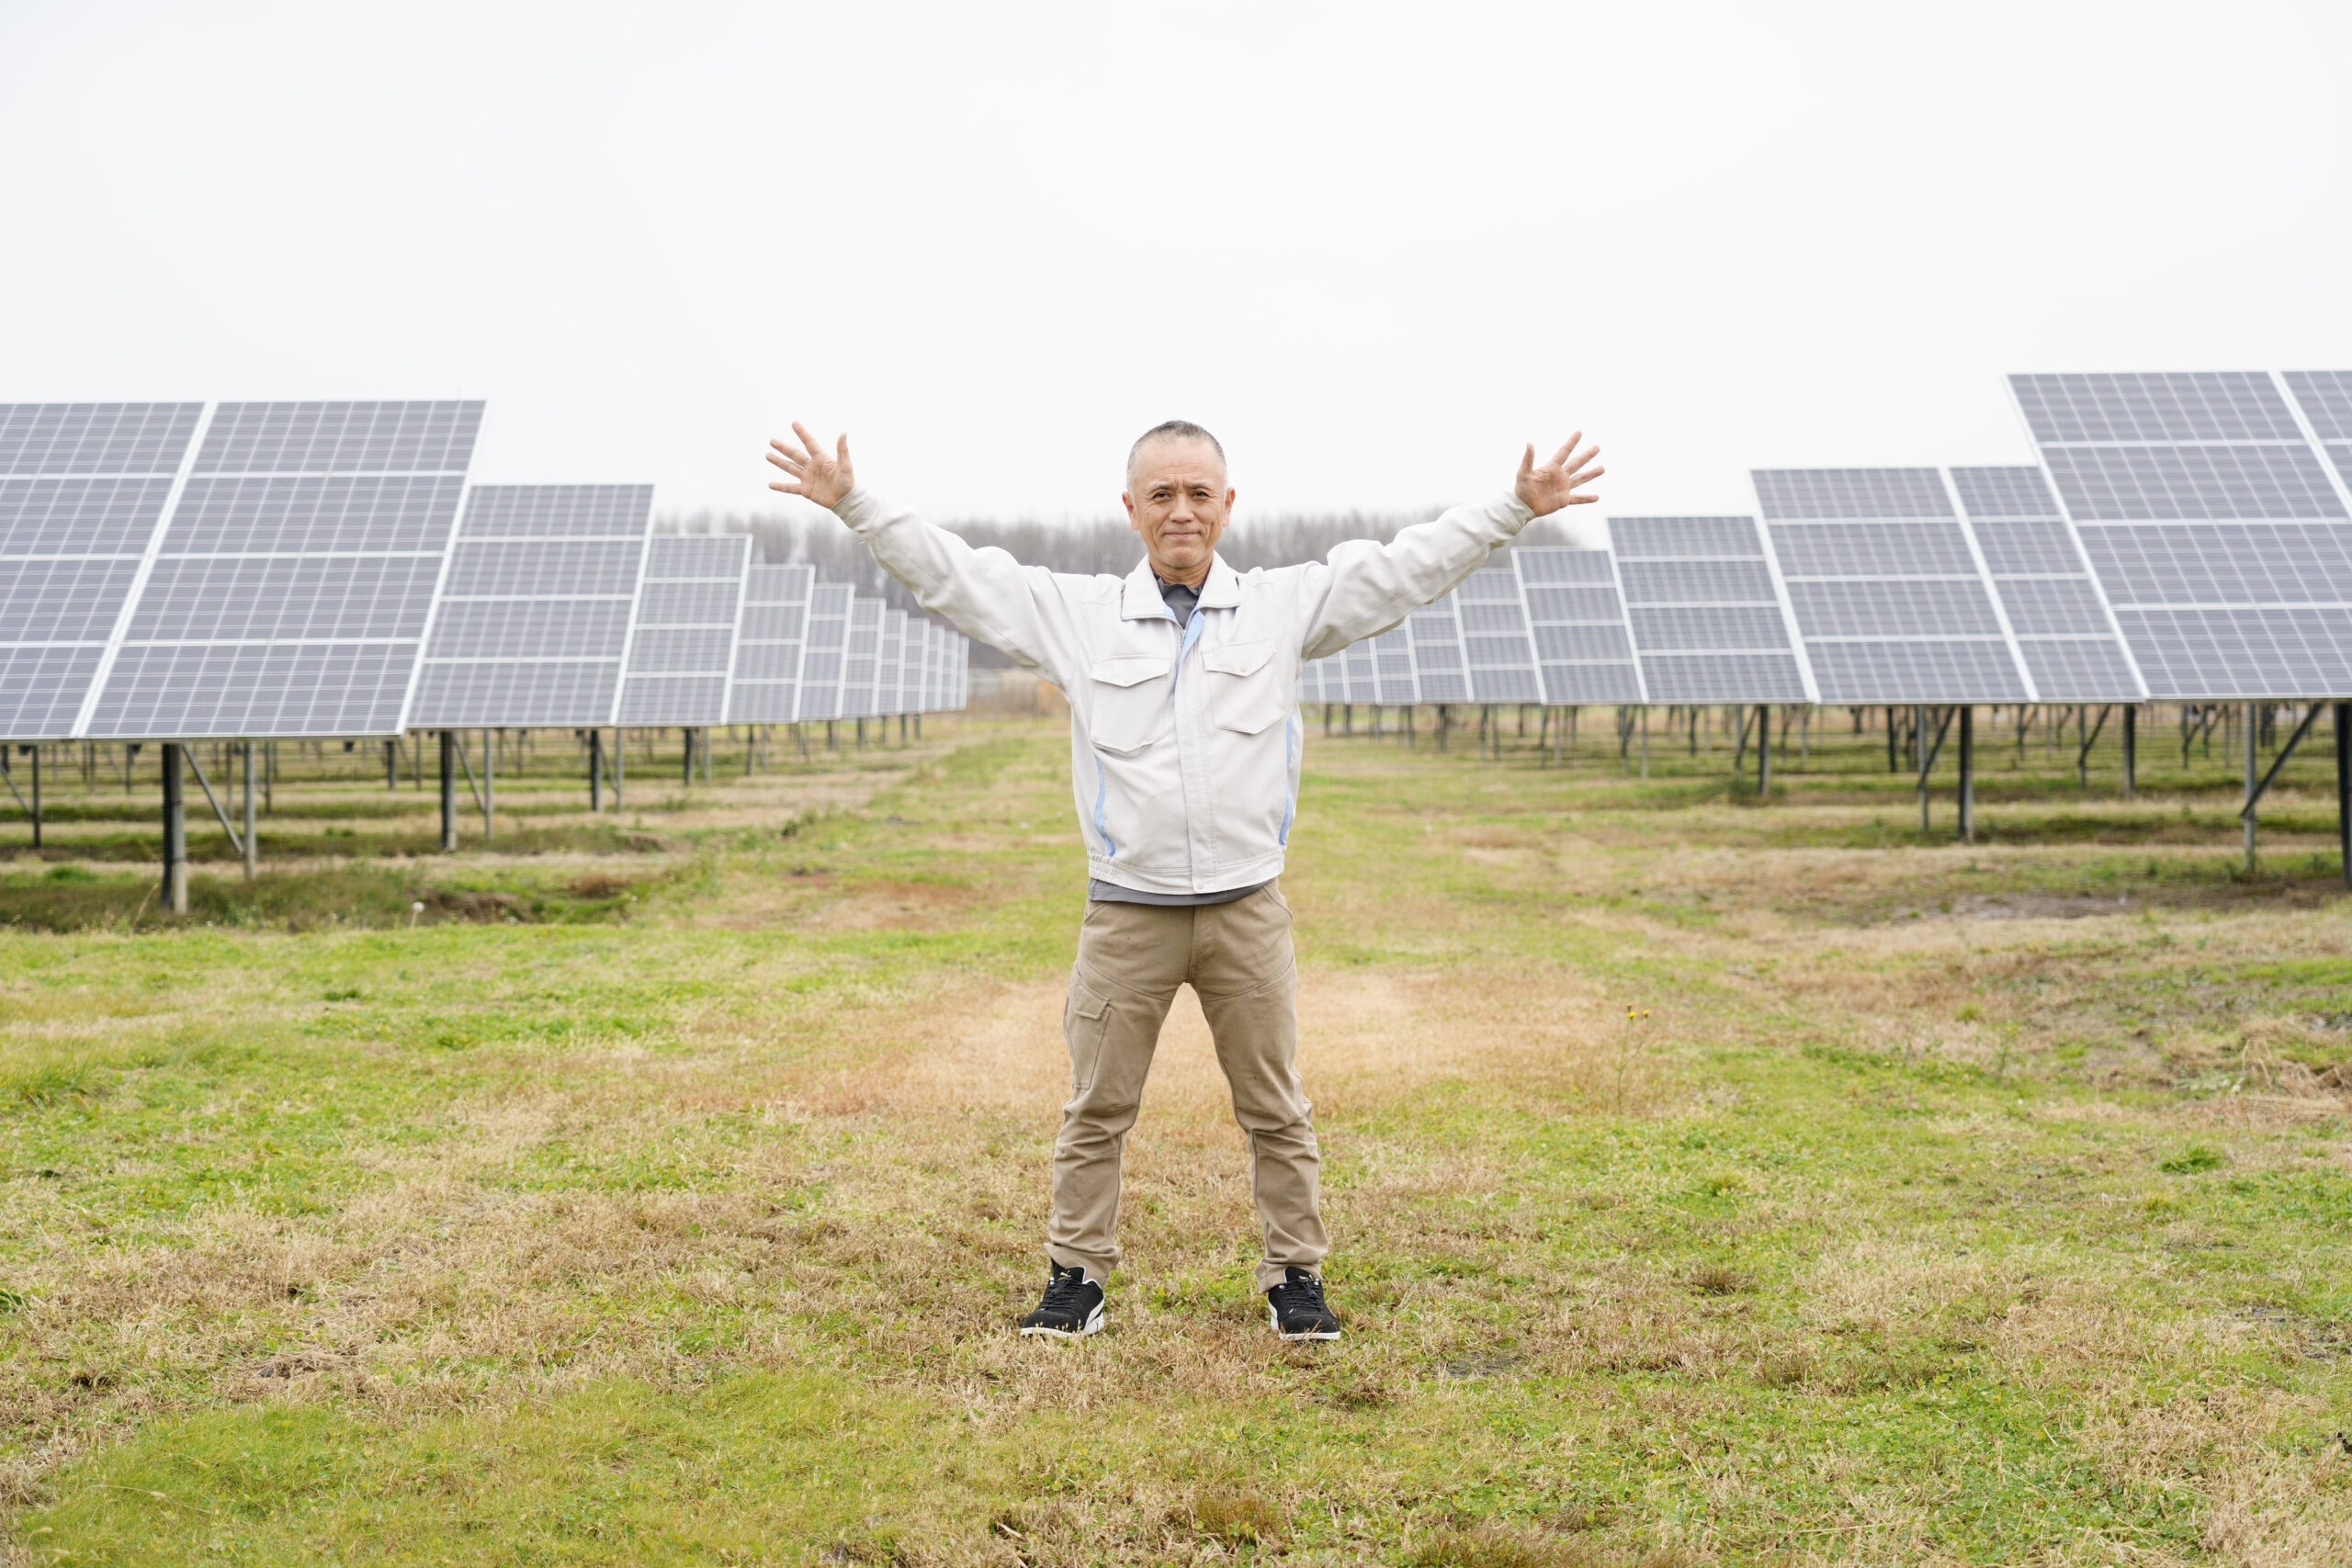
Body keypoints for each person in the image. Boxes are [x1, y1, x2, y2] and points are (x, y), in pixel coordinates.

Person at [764, 420, 1602, 1341]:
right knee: (1096, 1107)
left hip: (1246, 908)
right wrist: (851, 501)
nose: (1181, 511)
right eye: (1160, 494)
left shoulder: (1283, 608)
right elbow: (955, 576)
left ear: (1226, 506)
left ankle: (1295, 1276)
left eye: (1198, 493)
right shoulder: (1076, 617)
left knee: (1276, 1107)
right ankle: (1075, 1277)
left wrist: (1513, 508)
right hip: (1128, 910)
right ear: (1130, 510)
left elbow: (1403, 570)